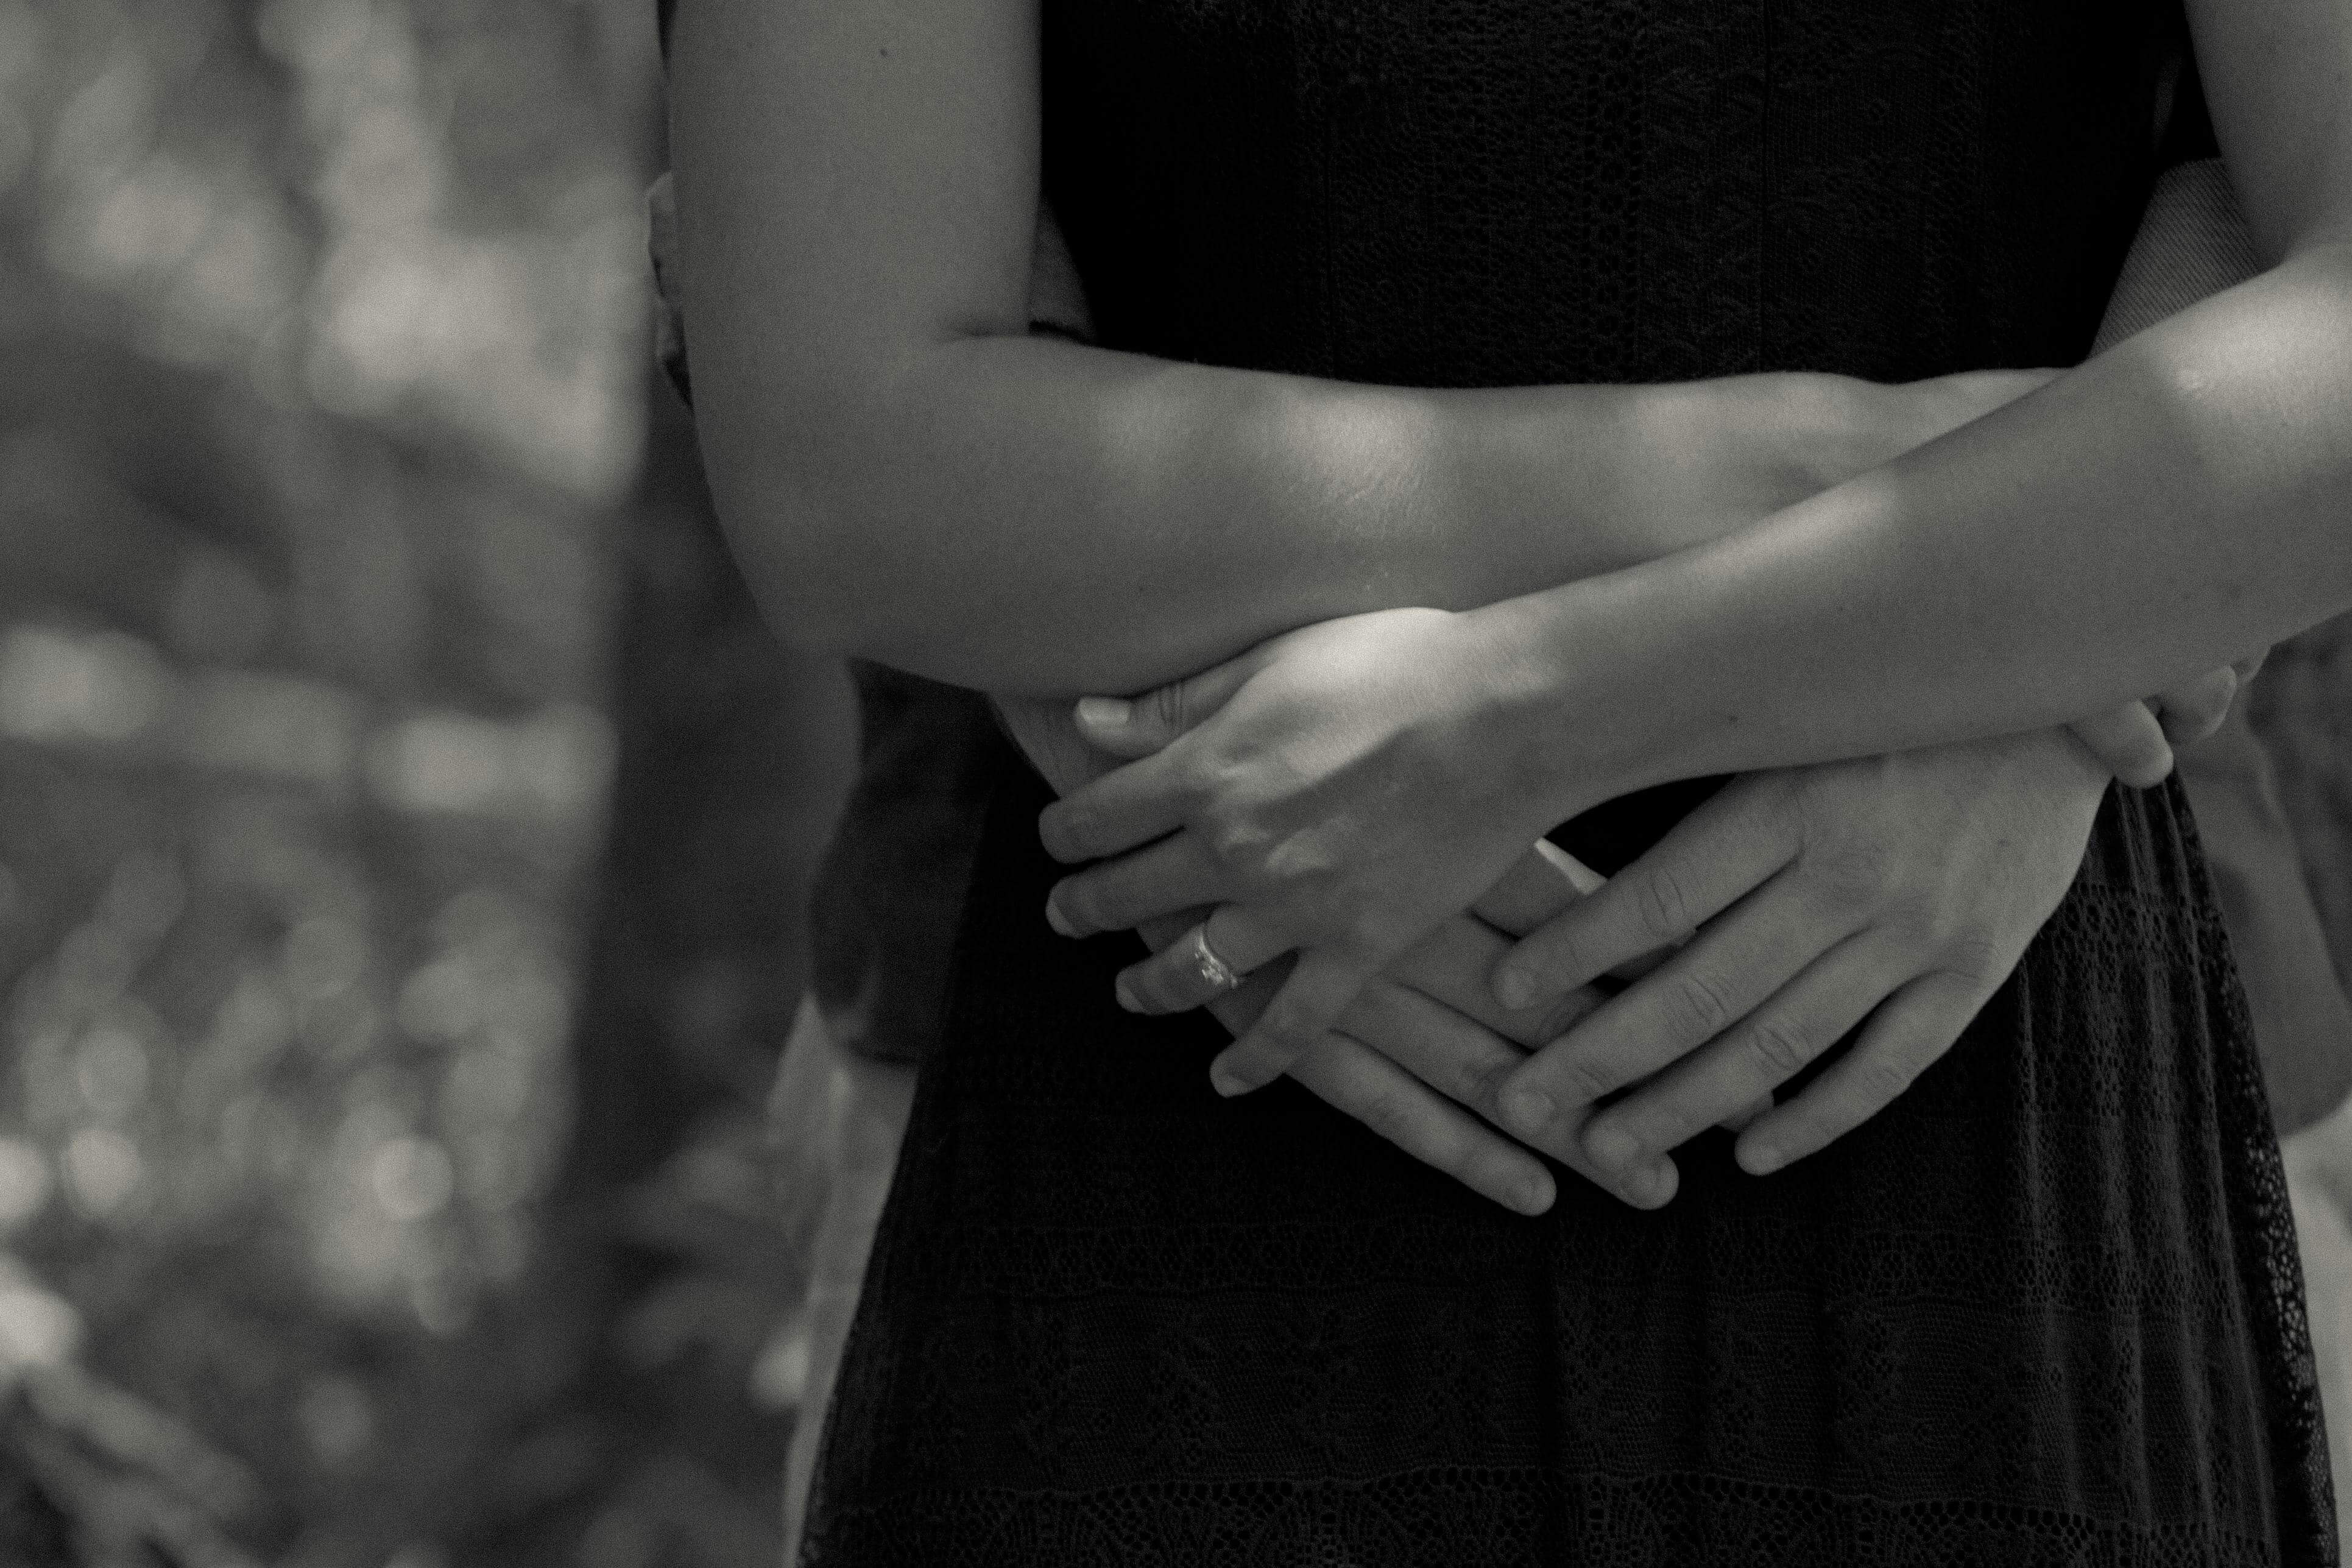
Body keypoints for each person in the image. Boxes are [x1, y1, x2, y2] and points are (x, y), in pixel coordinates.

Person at [668, 0, 2352, 1556]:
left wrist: (1530, 717)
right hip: (1176, 1043)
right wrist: (1845, 477)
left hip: (2007, 1037)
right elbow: (845, 434)